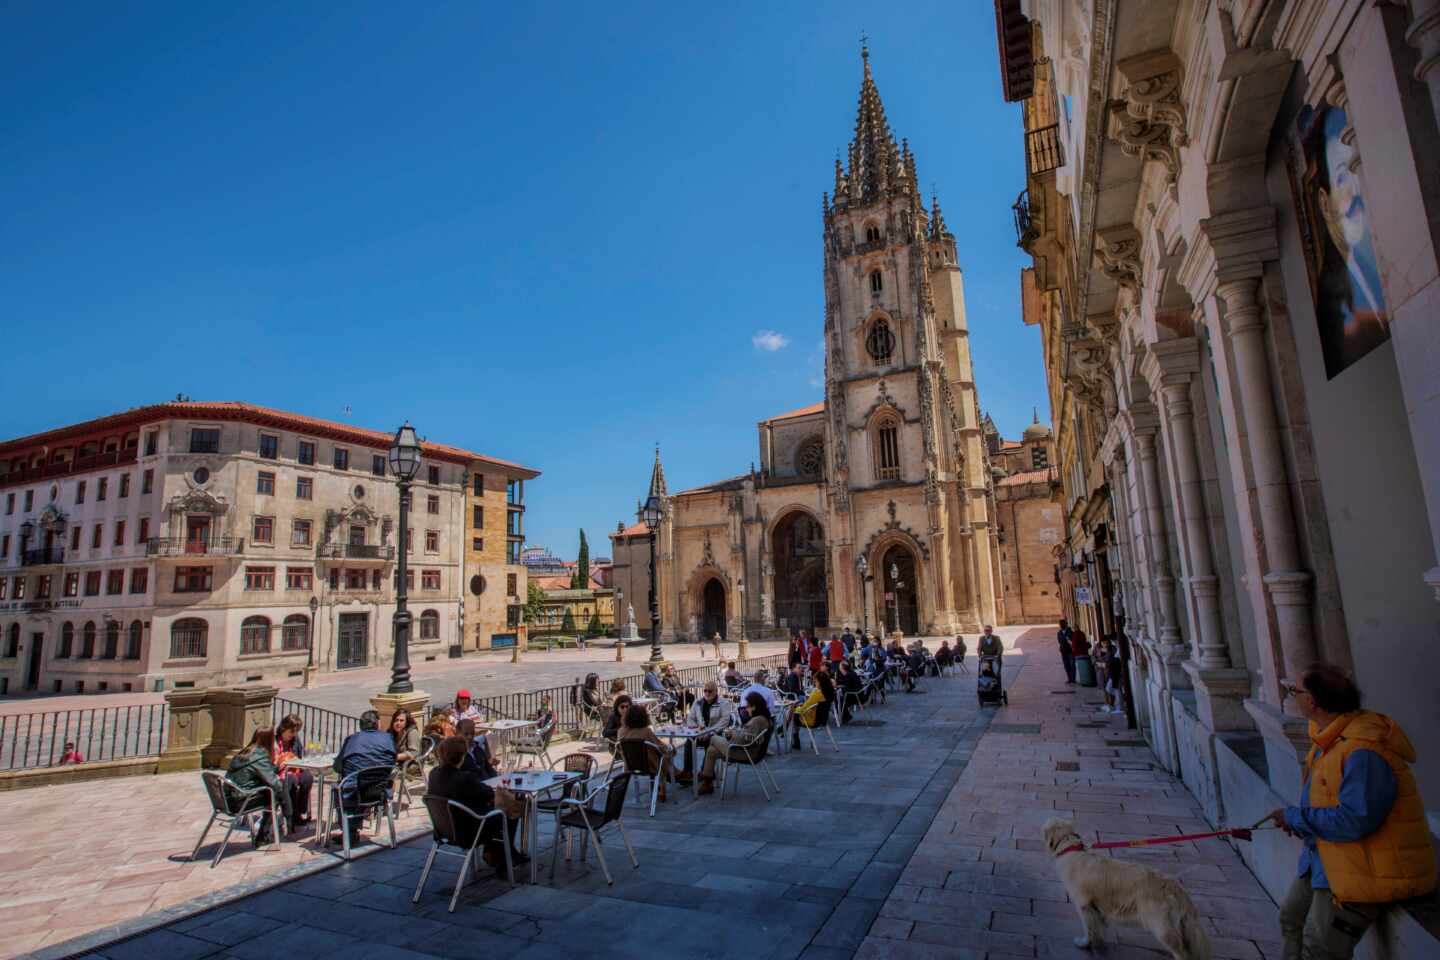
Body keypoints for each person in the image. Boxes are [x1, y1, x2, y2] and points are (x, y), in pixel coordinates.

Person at [1268, 663, 1435, 960]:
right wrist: (1302, 822)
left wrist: (1296, 817)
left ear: (1313, 701)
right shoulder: (1329, 737)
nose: (1292, 695)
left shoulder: (1363, 751)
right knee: (1290, 919)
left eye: (1295, 691)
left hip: (1362, 869)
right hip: (1326, 859)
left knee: (1319, 948)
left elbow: (1355, 819)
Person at [427, 736, 524, 873]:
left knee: (494, 812)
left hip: (444, 830)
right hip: (467, 832)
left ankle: (495, 852)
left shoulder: (433, 774)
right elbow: (488, 793)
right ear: (462, 756)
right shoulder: (465, 778)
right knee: (507, 812)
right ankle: (499, 856)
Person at [333, 711, 397, 847]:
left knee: (339, 789)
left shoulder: (352, 739)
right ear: (378, 724)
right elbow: (393, 761)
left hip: (354, 793)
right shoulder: (388, 738)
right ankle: (352, 832)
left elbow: (337, 767)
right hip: (380, 792)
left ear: (361, 726)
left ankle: (349, 833)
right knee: (358, 784)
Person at [229, 726, 293, 846]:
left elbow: (257, 772)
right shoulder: (260, 755)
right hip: (241, 800)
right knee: (276, 791)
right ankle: (285, 823)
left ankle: (287, 820)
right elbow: (275, 783)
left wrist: (276, 767)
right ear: (268, 740)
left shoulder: (245, 752)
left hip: (228, 798)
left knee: (275, 790)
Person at [698, 692, 772, 795]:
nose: (746, 709)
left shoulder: (757, 720)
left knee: (712, 738)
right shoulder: (762, 719)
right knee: (711, 751)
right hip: (748, 751)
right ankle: (707, 782)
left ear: (754, 707)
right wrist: (733, 733)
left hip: (745, 753)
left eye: (748, 706)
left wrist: (732, 734)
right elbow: (747, 737)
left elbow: (746, 739)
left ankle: (703, 774)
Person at [617, 704, 676, 802]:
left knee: (659, 754)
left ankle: (673, 776)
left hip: (630, 766)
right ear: (643, 717)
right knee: (665, 754)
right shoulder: (646, 732)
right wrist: (671, 748)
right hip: (650, 766)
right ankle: (663, 786)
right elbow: (661, 747)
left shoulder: (621, 732)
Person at [275, 714, 313, 825]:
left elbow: (299, 757)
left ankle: (300, 810)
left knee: (307, 777)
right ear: (283, 728)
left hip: (294, 768)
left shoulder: (295, 740)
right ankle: (291, 814)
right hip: (280, 772)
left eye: (296, 731)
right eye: (292, 731)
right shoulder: (275, 741)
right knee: (291, 779)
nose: (294, 734)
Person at [391, 708, 422, 779]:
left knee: (387, 774)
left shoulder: (412, 732)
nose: (398, 723)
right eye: (396, 720)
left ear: (407, 722)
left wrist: (395, 757)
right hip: (396, 763)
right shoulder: (392, 733)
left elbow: (414, 753)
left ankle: (392, 789)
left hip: (410, 765)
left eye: (401, 720)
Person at [1103, 641, 1124, 716]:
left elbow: (1118, 660)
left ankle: (1119, 707)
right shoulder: (1117, 649)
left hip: (1117, 672)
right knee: (1110, 688)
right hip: (1114, 672)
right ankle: (1116, 706)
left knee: (1117, 690)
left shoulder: (1118, 649)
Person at [1057, 618, 1076, 684]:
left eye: (1062, 624)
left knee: (1072, 665)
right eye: (1060, 624)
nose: (1061, 625)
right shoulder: (1059, 633)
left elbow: (1073, 641)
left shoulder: (1070, 632)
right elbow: (1059, 641)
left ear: (1065, 624)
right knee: (1066, 665)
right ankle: (1069, 679)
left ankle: (1073, 679)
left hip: (1070, 651)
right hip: (1063, 651)